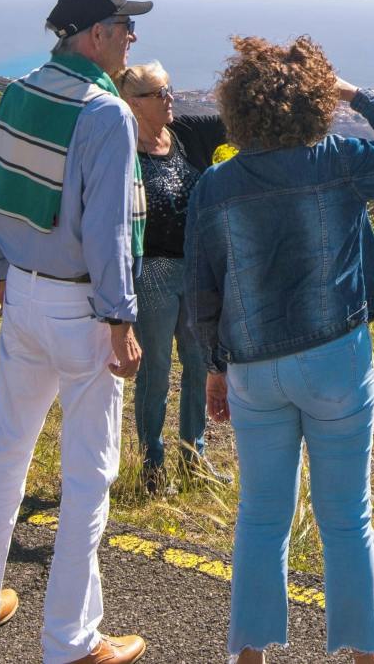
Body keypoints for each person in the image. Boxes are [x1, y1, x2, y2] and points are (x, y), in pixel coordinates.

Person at [186, 35, 374, 664]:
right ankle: (365, 651)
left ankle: (248, 651)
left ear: (239, 105)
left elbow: (204, 291)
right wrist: (354, 94)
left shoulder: (215, 186)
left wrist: (216, 369)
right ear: (313, 103)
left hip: (253, 368)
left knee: (261, 516)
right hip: (335, 361)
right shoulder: (337, 162)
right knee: (346, 516)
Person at [0, 0, 153, 664]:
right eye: (125, 26)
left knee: (5, 454)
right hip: (82, 308)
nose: (132, 38)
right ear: (94, 34)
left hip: (23, 297)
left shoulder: (20, 91)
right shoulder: (106, 113)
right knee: (89, 475)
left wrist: (0, 270)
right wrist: (121, 317)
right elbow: (109, 230)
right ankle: (71, 640)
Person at [114, 60, 228, 494]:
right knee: (156, 369)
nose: (169, 99)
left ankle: (193, 455)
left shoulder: (188, 134)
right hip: (154, 272)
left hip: (198, 271)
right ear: (133, 103)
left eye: (169, 89)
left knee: (200, 364)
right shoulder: (121, 147)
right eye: (159, 93)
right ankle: (151, 464)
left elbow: (237, 122)